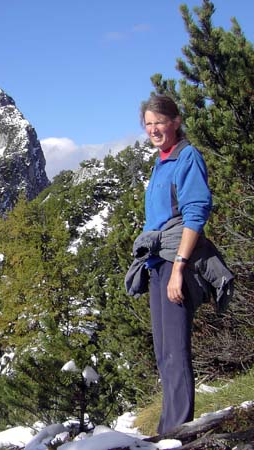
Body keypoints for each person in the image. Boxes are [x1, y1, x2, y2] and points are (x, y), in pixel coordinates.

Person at [139, 94, 212, 434]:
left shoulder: (187, 158)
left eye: (160, 122)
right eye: (149, 124)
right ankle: (168, 430)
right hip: (158, 262)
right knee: (163, 352)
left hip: (175, 262)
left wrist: (179, 268)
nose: (154, 129)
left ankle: (179, 432)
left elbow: (195, 214)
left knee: (176, 351)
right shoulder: (161, 161)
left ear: (176, 121)